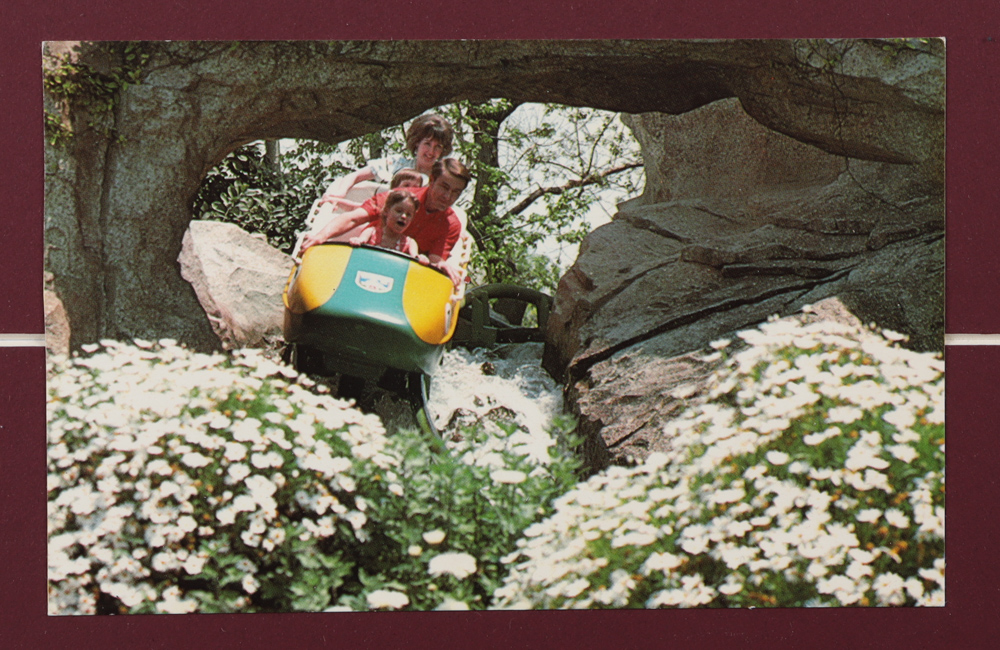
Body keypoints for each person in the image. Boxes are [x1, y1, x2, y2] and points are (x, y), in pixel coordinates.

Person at [300, 158, 471, 285]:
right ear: (432, 180)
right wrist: (320, 236)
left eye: (456, 192)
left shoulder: (451, 224)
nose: (448, 197)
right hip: (367, 264)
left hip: (403, 278)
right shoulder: (401, 198)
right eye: (444, 187)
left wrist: (443, 265)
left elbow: (435, 258)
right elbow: (353, 218)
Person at [317, 114, 453, 207]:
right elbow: (354, 176)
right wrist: (339, 194)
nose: (431, 152)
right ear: (417, 142)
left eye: (437, 147)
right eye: (427, 144)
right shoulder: (396, 164)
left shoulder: (441, 178)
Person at [348, 189, 422, 258]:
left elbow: (416, 257)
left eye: (408, 214)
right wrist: (357, 241)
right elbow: (361, 240)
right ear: (386, 211)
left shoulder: (410, 243)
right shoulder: (371, 233)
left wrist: (421, 258)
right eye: (399, 211)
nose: (403, 216)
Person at [320, 167, 424, 212]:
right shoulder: (386, 203)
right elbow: (357, 208)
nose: (411, 190)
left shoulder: (417, 209)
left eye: (416, 187)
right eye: (406, 185)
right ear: (394, 189)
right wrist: (336, 201)